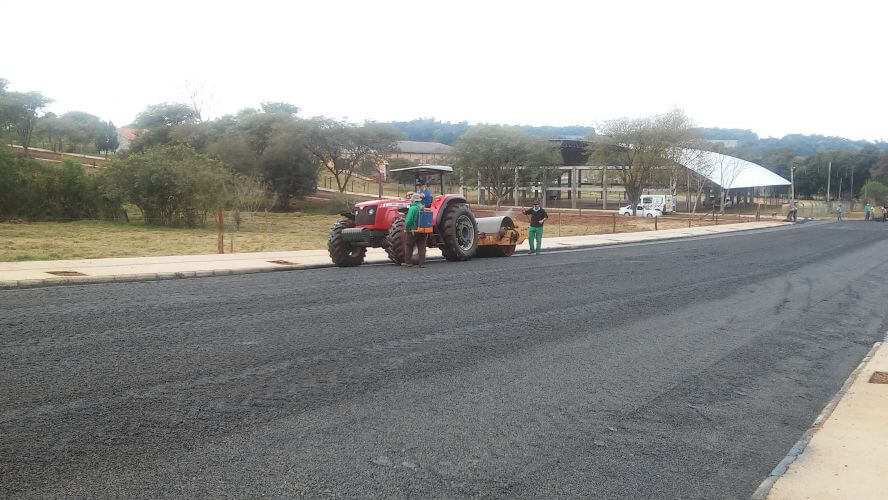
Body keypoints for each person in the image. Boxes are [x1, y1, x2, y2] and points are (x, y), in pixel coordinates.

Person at [402, 193, 427, 268]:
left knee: (408, 246)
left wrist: (406, 229)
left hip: (413, 231)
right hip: (422, 231)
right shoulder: (422, 207)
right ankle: (422, 263)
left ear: (413, 200)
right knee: (422, 247)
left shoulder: (412, 208)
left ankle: (408, 263)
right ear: (419, 200)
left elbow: (409, 220)